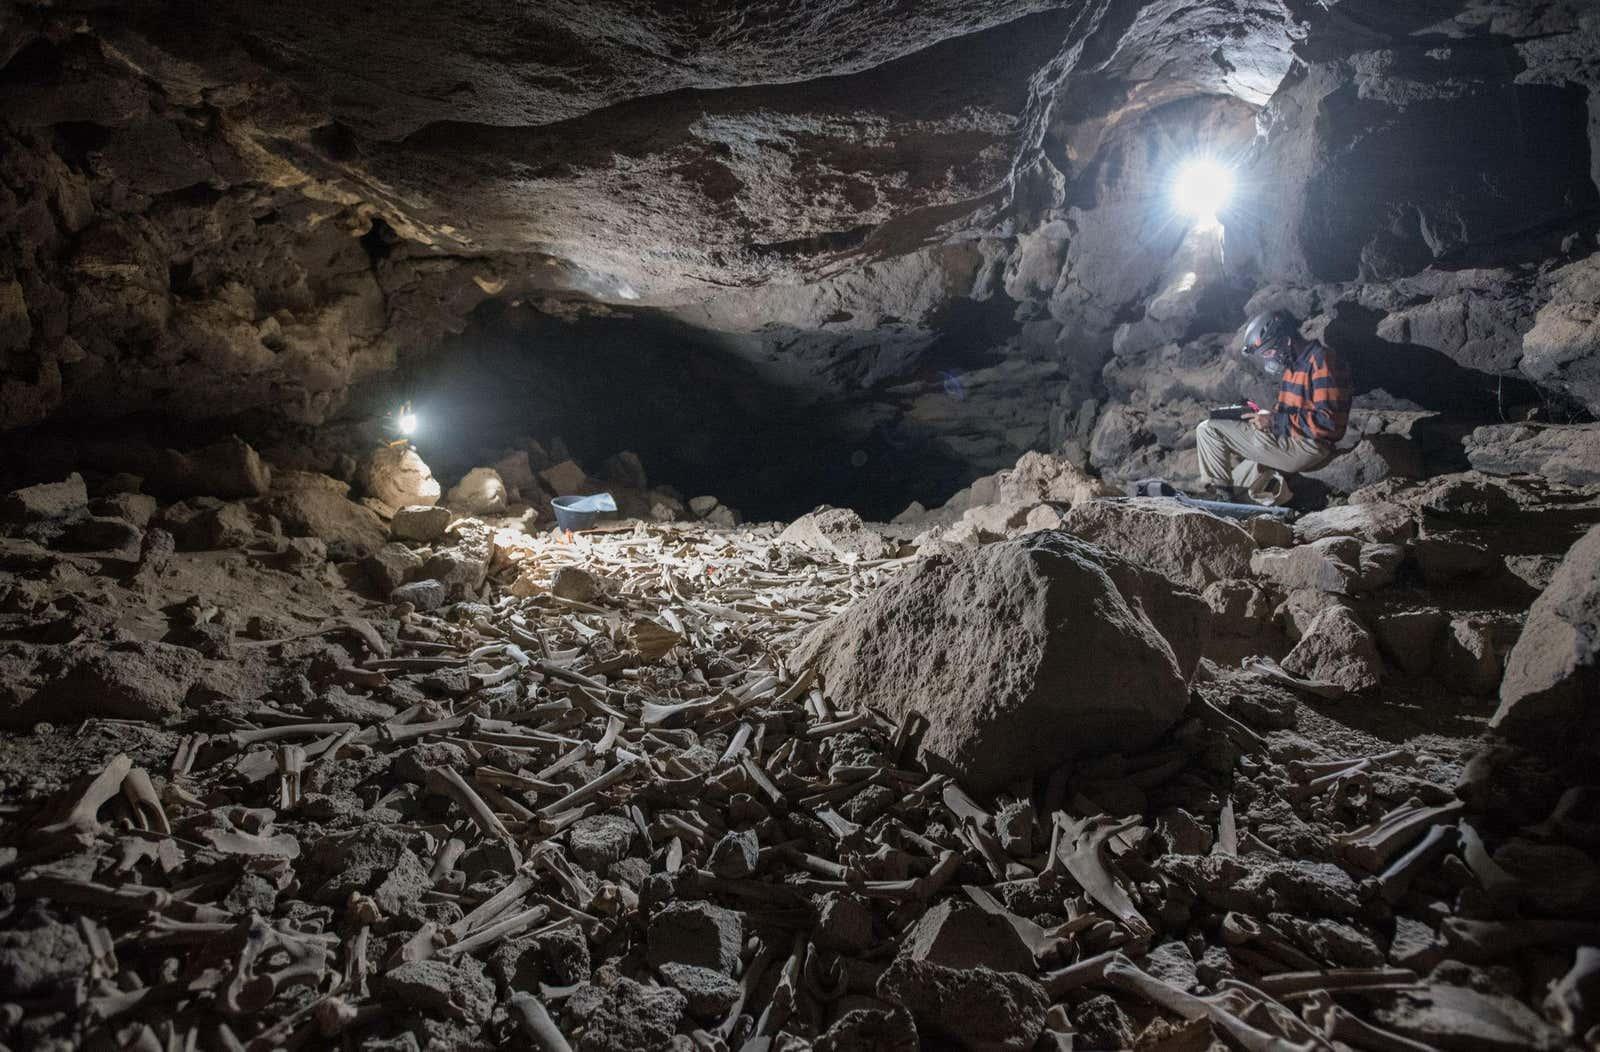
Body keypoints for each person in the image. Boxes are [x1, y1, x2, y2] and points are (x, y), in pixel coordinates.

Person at [1194, 309, 1352, 505]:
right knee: (1237, 484)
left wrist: (1273, 421)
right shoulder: (1293, 367)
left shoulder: (1321, 360)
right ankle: (1225, 501)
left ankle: (1223, 497)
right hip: (1290, 439)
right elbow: (1286, 414)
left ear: (1286, 341)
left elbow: (1329, 423)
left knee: (1208, 429)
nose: (1268, 359)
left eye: (1268, 352)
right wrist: (1264, 416)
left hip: (1308, 446)